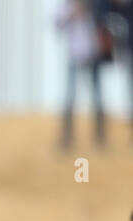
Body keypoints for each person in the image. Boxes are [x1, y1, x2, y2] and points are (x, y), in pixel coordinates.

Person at [55, 0, 108, 148]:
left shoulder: (95, 5)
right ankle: (66, 138)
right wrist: (72, 14)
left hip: (93, 54)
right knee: (70, 96)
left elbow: (105, 21)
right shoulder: (67, 5)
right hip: (75, 55)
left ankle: (100, 138)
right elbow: (57, 24)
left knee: (97, 97)